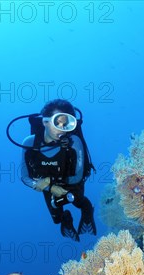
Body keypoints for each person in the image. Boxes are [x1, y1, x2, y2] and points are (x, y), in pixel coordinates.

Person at [20, 99, 96, 241]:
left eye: (66, 124)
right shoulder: (29, 143)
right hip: (47, 187)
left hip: (71, 183)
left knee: (78, 201)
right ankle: (66, 220)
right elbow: (24, 177)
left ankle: (87, 211)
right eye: (57, 123)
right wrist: (49, 187)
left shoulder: (74, 142)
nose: (62, 129)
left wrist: (49, 183)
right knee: (56, 218)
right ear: (45, 122)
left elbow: (78, 176)